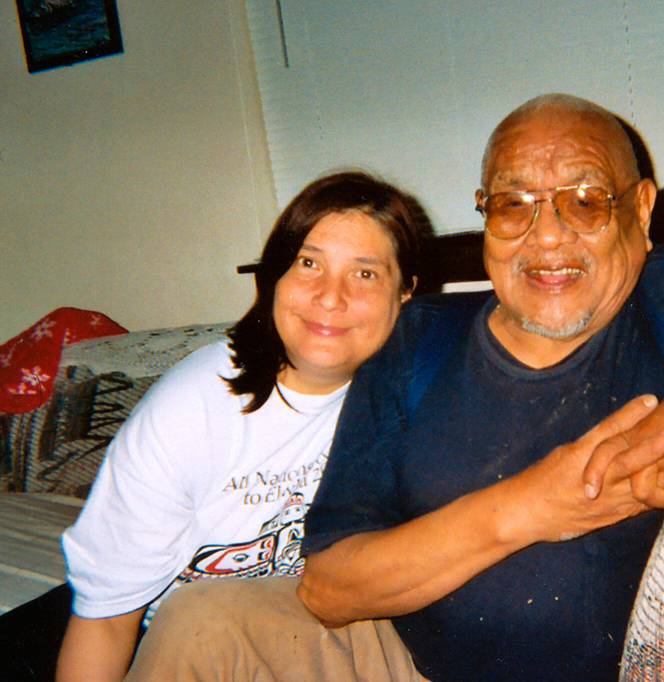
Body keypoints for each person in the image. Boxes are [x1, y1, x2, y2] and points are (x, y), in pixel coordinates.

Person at [126, 94, 664, 681]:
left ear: (642, 210)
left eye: (585, 199)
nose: (546, 236)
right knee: (201, 626)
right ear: (485, 218)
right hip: (407, 660)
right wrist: (535, 506)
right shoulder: (419, 339)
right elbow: (330, 586)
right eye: (514, 204)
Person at [42, 171, 428, 681]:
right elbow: (106, 620)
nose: (329, 296)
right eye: (308, 263)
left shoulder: (416, 393)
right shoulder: (193, 407)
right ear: (273, 277)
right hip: (202, 649)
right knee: (202, 616)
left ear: (404, 293)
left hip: (328, 631)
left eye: (364, 274)